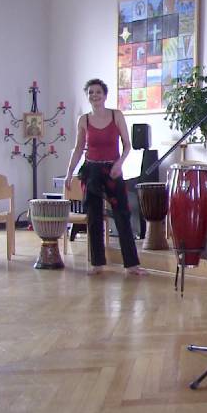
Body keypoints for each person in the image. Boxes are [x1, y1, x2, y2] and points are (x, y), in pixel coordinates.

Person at [65, 79, 145, 276]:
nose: (94, 95)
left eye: (98, 92)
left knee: (122, 215)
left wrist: (119, 164)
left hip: (112, 170)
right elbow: (78, 149)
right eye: (91, 92)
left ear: (105, 95)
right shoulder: (83, 120)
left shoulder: (116, 115)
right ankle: (97, 263)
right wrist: (69, 173)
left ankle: (132, 265)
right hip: (91, 170)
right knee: (94, 217)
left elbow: (127, 145)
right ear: (88, 96)